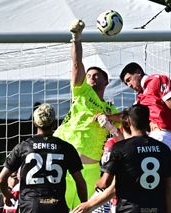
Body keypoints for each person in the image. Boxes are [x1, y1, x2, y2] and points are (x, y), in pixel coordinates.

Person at [53, 19, 119, 209]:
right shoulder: (82, 91)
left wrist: (109, 122)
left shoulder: (110, 109)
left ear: (106, 82)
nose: (91, 77)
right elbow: (76, 64)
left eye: (96, 75)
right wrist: (76, 38)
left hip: (90, 170)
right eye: (89, 75)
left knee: (84, 210)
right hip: (65, 165)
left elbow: (127, 123)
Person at [79, 104, 171, 213]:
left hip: (129, 209)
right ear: (148, 122)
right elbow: (167, 187)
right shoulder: (164, 149)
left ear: (128, 123)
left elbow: (106, 183)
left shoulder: (120, 148)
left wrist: (98, 184)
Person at [0, 103, 87, 213]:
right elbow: (80, 182)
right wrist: (84, 204)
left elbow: (1, 180)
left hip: (30, 206)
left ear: (34, 122)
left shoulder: (23, 147)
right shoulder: (66, 148)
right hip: (56, 205)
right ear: (54, 123)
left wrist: (7, 195)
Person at [118, 62, 171, 157]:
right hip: (153, 138)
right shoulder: (140, 97)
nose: (129, 85)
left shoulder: (157, 79)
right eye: (126, 83)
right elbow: (125, 116)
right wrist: (107, 118)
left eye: (129, 80)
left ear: (138, 72)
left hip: (163, 136)